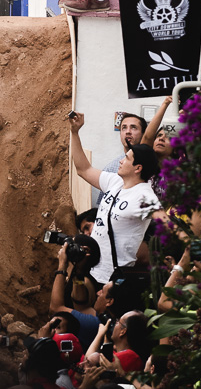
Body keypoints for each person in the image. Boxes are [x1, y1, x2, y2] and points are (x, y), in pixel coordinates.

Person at [67, 112, 162, 284]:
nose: (120, 161)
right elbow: (83, 169)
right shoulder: (114, 181)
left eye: (126, 159)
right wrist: (75, 132)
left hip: (113, 278)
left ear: (137, 168)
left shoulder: (144, 195)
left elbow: (166, 223)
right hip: (92, 268)